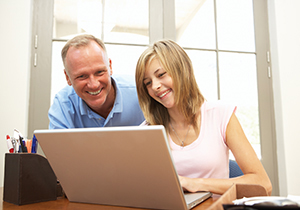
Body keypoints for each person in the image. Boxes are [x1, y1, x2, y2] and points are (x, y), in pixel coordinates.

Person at [135, 39, 272, 195]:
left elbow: (263, 183)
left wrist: (195, 183)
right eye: (147, 83)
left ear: (182, 70)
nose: (155, 86)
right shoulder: (147, 130)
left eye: (161, 75)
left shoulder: (221, 115)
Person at [48, 34, 144, 129]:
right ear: (67, 77)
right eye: (82, 76)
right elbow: (56, 145)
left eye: (99, 72)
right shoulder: (62, 104)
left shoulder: (141, 92)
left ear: (110, 67)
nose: (94, 85)